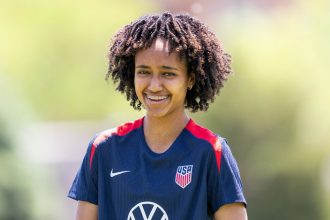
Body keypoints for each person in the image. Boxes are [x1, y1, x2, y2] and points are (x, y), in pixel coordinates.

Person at [68, 12, 247, 220]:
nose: (154, 86)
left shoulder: (212, 152)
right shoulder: (104, 149)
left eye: (168, 73)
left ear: (190, 79)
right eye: (144, 72)